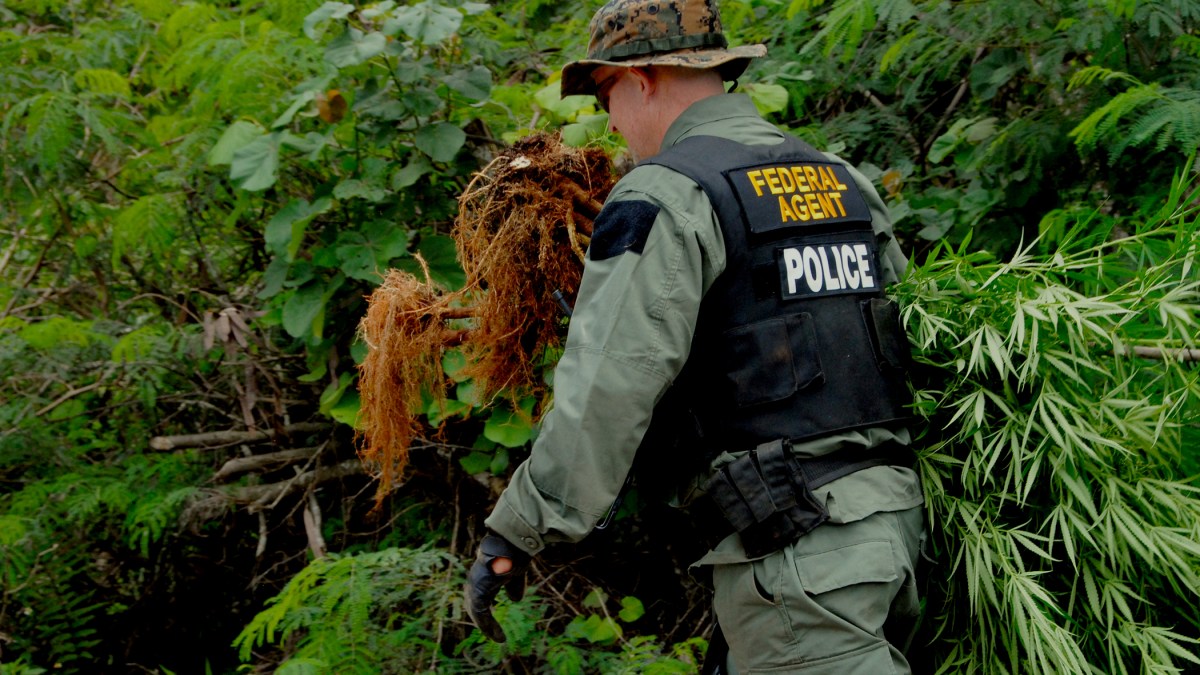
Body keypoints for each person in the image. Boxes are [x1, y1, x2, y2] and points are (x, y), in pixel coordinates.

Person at [465, 1, 926, 672]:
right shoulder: (842, 181)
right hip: (895, 532)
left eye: (607, 95)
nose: (613, 123)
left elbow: (608, 385)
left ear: (644, 78)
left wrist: (517, 530)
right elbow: (916, 340)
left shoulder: (666, 194)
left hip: (800, 563)